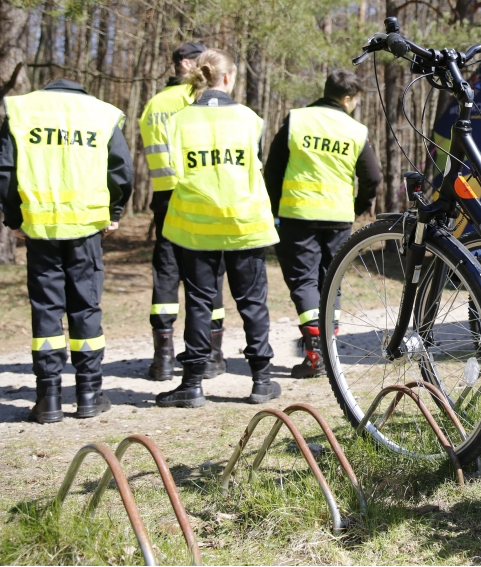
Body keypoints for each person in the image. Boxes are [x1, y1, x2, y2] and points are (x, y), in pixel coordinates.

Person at [0, 79, 133, 423]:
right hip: (87, 228)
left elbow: (6, 170)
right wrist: (112, 214)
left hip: (40, 228)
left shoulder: (22, 110)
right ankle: (89, 393)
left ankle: (48, 398)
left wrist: (15, 217)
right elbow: (120, 171)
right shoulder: (101, 113)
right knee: (85, 307)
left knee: (46, 309)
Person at [156, 49, 280, 408]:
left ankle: (192, 384)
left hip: (195, 224)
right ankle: (262, 380)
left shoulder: (178, 121)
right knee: (252, 302)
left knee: (198, 302)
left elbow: (176, 169)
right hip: (245, 222)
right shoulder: (249, 119)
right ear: (228, 78)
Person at [264, 69, 381, 377]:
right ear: (347, 98)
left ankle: (314, 355)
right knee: (332, 280)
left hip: (296, 214)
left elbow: (273, 170)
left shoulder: (297, 120)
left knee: (303, 282)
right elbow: (372, 177)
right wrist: (358, 205)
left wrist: (274, 209)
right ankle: (328, 353)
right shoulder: (355, 130)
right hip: (338, 217)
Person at [139, 42, 227, 382]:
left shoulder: (154, 104)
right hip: (200, 193)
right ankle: (213, 355)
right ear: (186, 63)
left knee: (166, 270)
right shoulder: (201, 99)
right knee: (207, 271)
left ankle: (162, 360)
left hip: (165, 195)